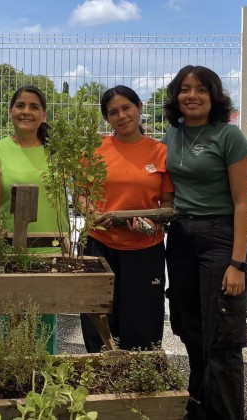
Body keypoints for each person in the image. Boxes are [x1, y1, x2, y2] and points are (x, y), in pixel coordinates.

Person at [162, 65, 247, 420]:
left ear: (214, 96)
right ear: (176, 96)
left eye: (201, 89)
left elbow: (243, 203)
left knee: (222, 339)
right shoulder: (173, 135)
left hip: (221, 237)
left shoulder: (229, 137)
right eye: (185, 89)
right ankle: (198, 408)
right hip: (181, 237)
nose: (192, 95)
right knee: (191, 331)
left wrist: (238, 262)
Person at [78, 85, 174, 353]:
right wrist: (93, 215)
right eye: (113, 112)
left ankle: (138, 387)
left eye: (126, 108)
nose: (121, 116)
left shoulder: (160, 152)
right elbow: (80, 196)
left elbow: (166, 203)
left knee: (142, 325)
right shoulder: (96, 149)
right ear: (107, 118)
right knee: (98, 320)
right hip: (100, 245)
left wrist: (153, 224)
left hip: (145, 250)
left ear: (139, 107)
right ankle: (100, 383)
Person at [0, 85, 69, 354]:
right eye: (20, 106)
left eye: (34, 106)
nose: (26, 111)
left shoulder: (57, 150)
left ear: (43, 114)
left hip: (49, 244)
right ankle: (16, 379)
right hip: (10, 246)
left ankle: (43, 383)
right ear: (10, 111)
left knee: (45, 321)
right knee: (13, 318)